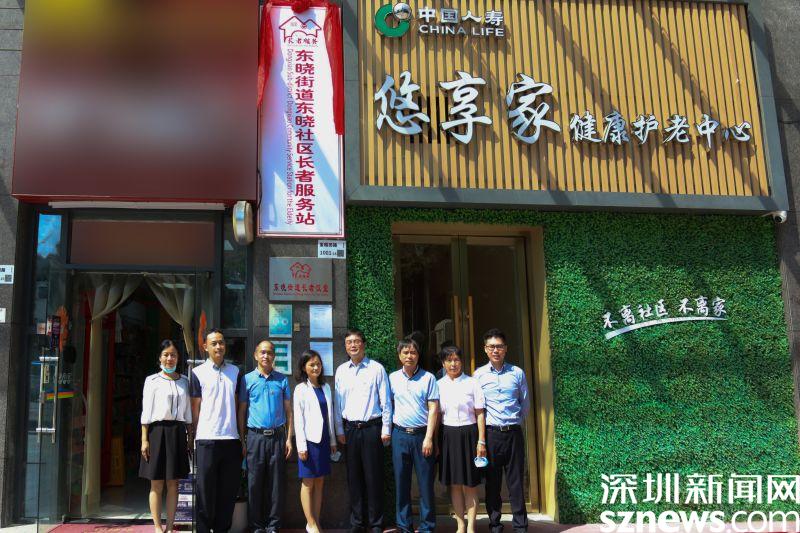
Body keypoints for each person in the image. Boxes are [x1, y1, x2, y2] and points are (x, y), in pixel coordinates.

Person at [334, 328, 392, 533]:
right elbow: (337, 404)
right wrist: (339, 429)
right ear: (345, 346)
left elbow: (386, 401)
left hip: (372, 429)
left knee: (374, 478)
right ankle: (357, 522)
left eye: (356, 341)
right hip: (350, 430)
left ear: (364, 344)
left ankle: (376, 523)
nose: (353, 345)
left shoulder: (376, 369)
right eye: (349, 342)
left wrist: (386, 428)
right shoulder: (341, 371)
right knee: (354, 478)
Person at [473, 328, 531, 533]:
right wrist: (481, 439)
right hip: (491, 435)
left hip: (513, 433)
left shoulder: (517, 373)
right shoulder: (478, 375)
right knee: (493, 483)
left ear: (506, 349)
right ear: (485, 349)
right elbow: (477, 407)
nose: (495, 350)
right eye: (491, 347)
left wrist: (514, 422)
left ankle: (520, 526)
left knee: (516, 482)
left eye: (499, 346)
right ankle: (495, 525)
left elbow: (525, 404)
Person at [237, 340, 293, 533]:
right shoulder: (247, 380)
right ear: (255, 355)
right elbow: (241, 411)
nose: (266, 356)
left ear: (274, 356)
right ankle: (256, 525)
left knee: (276, 484)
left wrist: (289, 438)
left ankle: (273, 525)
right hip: (255, 438)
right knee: (255, 483)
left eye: (269, 353)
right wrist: (242, 440)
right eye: (262, 352)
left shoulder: (282, 380)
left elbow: (289, 411)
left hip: (278, 437)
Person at [190, 329, 243, 533]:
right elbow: (195, 408)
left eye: (221, 342)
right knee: (205, 493)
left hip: (231, 439)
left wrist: (241, 438)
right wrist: (193, 437)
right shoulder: (198, 373)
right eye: (214, 343)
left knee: (227, 493)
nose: (218, 346)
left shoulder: (235, 372)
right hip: (206, 439)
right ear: (205, 347)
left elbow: (238, 406)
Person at [140, 340, 192, 533]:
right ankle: (157, 526)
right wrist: (144, 439)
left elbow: (188, 413)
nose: (170, 358)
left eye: (173, 355)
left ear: (178, 358)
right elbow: (146, 412)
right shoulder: (152, 381)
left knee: (173, 483)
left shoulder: (185, 381)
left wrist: (190, 437)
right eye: (166, 355)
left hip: (177, 433)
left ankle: (169, 527)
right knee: (156, 482)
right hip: (157, 432)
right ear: (159, 358)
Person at [388, 338, 439, 533]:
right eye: (405, 352)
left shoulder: (428, 378)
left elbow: (433, 409)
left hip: (421, 436)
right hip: (400, 435)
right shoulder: (392, 378)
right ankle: (404, 526)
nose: (409, 356)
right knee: (402, 483)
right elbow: (388, 405)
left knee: (425, 484)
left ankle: (427, 527)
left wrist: (429, 438)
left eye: (413, 352)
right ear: (399, 355)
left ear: (418, 355)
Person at [437, 345, 486, 533]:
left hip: (469, 434)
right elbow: (436, 415)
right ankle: (460, 525)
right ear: (443, 363)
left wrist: (481, 441)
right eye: (449, 360)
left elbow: (480, 414)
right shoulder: (438, 385)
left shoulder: (472, 383)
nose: (453, 364)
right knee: (455, 484)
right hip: (447, 435)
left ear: (461, 362)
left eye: (456, 360)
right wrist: (435, 441)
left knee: (470, 484)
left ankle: (471, 527)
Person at [293, 350, 337, 533]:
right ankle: (310, 523)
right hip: (309, 442)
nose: (316, 367)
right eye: (311, 364)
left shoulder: (326, 387)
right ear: (304, 367)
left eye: (318, 364)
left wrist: (333, 440)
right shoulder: (300, 389)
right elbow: (298, 419)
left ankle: (316, 522)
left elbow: (329, 415)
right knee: (308, 482)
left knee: (320, 482)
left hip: (324, 440)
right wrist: (301, 446)